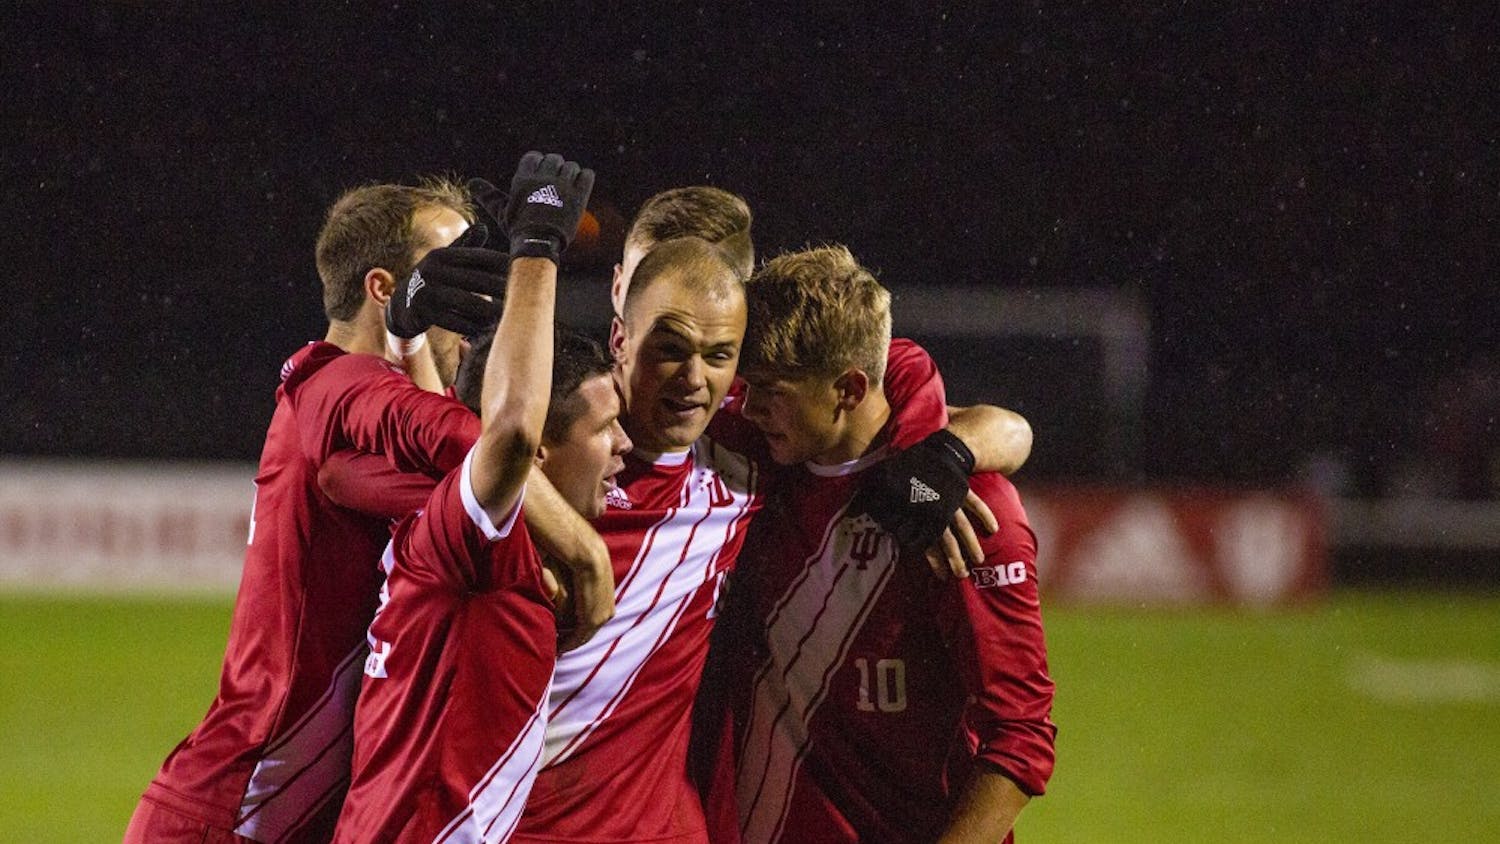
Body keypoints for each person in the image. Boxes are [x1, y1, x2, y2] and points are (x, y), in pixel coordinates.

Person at [124, 178, 514, 843]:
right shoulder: (338, 385)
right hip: (240, 813)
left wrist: (411, 347)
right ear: (386, 290)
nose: (474, 309)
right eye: (450, 278)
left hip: (278, 810)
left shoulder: (348, 398)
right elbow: (489, 452)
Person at [719, 245, 1056, 843]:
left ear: (848, 388)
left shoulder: (959, 509)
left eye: (772, 390)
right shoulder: (758, 461)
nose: (749, 407)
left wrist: (955, 453)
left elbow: (1020, 735)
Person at [332, 151, 623, 842]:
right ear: (543, 454)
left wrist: (407, 341)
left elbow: (457, 427)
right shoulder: (469, 540)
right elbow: (509, 431)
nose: (625, 448)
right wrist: (537, 250)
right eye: (607, 428)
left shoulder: (465, 521)